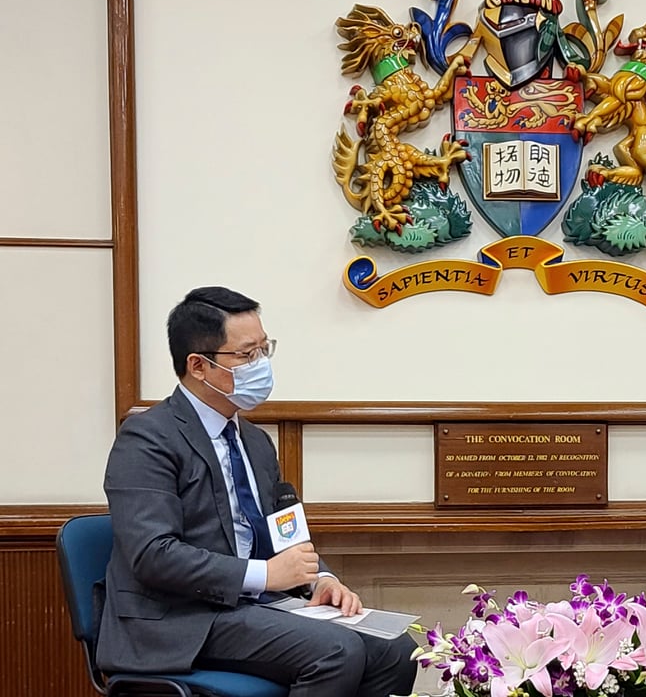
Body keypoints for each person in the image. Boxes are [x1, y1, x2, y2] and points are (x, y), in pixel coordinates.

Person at [96, 286, 417, 697]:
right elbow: (152, 555)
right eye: (247, 355)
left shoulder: (254, 441)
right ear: (199, 365)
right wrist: (266, 574)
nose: (260, 365)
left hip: (255, 607)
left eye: (265, 350)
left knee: (397, 649)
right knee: (336, 651)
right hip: (177, 619)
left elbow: (282, 527)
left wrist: (318, 579)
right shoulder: (146, 438)